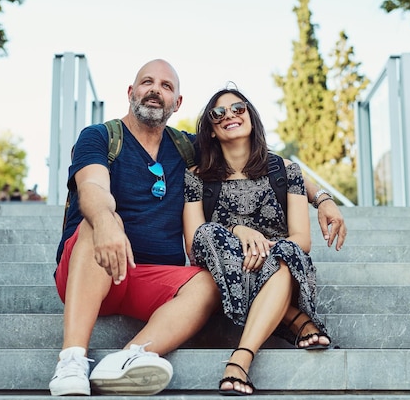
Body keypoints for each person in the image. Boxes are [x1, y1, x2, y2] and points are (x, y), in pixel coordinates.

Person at [49, 59, 347, 397]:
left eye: (166, 86)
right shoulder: (100, 136)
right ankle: (72, 359)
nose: (155, 90)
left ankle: (130, 358)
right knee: (99, 222)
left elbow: (265, 158)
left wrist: (321, 198)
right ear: (131, 92)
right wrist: (105, 221)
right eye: (147, 82)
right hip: (90, 266)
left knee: (207, 282)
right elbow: (92, 189)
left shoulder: (184, 147)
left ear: (177, 103)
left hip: (152, 279)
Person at [183, 87, 331, 396]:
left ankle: (241, 359)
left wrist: (263, 248)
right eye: (218, 113)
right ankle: (295, 319)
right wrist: (238, 231)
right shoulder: (195, 177)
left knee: (285, 255)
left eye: (238, 108)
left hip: (281, 267)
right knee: (209, 234)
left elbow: (301, 240)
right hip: (226, 271)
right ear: (210, 130)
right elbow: (195, 246)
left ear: (251, 115)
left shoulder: (287, 171)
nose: (230, 116)